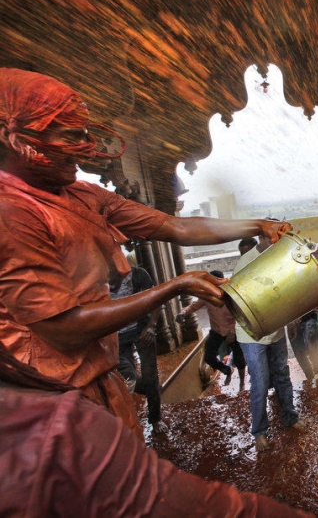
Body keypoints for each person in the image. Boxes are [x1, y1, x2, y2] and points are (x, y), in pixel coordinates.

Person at [0, 68, 291, 442]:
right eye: (72, 137)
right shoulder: (13, 213)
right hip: (46, 388)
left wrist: (258, 225)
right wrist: (173, 287)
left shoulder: (84, 194)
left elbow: (177, 228)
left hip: (96, 372)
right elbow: (62, 328)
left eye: (88, 135)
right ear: (16, 138)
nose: (88, 148)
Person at [0, 341, 314, 517]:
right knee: (245, 377)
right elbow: (193, 507)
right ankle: (253, 423)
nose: (121, 269)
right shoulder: (62, 430)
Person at [235, 238, 307, 452]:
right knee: (260, 382)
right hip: (252, 336)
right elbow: (239, 299)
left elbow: (286, 290)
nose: (278, 241)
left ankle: (289, 416)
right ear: (263, 237)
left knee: (283, 375)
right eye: (275, 237)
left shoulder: (278, 255)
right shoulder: (246, 262)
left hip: (275, 332)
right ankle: (259, 432)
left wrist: (291, 320)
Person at [109, 264, 168, 433]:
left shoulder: (138, 274)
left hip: (141, 330)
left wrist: (151, 326)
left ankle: (155, 418)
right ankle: (152, 388)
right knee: (127, 377)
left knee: (150, 372)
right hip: (115, 336)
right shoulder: (94, 280)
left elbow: (155, 299)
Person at [177, 270, 247, 390]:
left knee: (239, 358)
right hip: (216, 331)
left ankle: (242, 383)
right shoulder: (207, 296)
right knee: (209, 357)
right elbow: (194, 305)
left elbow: (240, 315)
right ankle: (227, 370)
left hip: (232, 331)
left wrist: (233, 332)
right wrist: (183, 312)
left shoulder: (230, 295)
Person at [287, 312, 318, 383]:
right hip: (291, 323)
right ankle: (309, 375)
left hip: (309, 319)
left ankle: (315, 362)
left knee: (312, 347)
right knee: (299, 352)